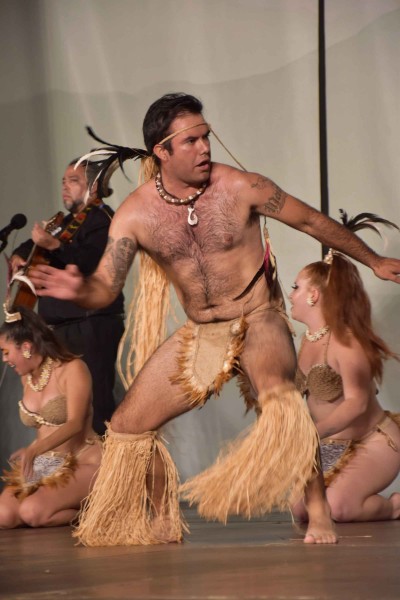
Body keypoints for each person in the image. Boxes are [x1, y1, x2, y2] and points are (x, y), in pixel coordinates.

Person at [28, 93, 400, 547]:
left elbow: (310, 222)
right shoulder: (136, 214)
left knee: (281, 401)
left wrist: (373, 260)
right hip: (202, 331)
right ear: (161, 151)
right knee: (126, 426)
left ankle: (320, 513)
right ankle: (164, 519)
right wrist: (79, 290)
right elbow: (105, 286)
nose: (205, 147)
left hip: (258, 316)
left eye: (206, 136)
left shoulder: (243, 187)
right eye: (191, 141)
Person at [10, 159, 125, 436]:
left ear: (93, 187)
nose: (65, 186)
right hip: (60, 329)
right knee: (63, 406)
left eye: (73, 181)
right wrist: (19, 255)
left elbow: (91, 263)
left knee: (95, 407)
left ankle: (106, 461)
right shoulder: (64, 222)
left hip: (91, 324)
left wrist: (54, 246)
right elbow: (30, 245)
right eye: (63, 181)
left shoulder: (104, 219)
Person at [290, 249, 400, 522]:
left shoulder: (346, 343)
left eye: (296, 287)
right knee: (301, 509)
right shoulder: (307, 340)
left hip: (373, 440)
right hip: (333, 443)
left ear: (313, 295)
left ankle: (394, 506)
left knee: (337, 507)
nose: (291, 295)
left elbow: (357, 402)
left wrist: (313, 434)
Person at [0, 305, 102, 528]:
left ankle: (99, 511)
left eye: (6, 352)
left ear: (26, 347)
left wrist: (35, 449)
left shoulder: (72, 369)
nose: (4, 359)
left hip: (83, 461)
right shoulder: (26, 378)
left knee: (32, 512)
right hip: (46, 463)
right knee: (4, 515)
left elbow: (75, 423)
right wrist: (33, 451)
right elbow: (44, 428)